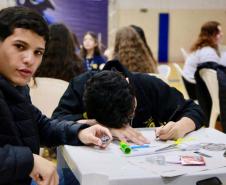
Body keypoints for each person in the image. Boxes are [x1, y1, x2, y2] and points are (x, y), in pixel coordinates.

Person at [0, 6, 112, 185]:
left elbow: (41, 126)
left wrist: (80, 132)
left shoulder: (17, 88)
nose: (30, 59)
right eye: (20, 46)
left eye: (38, 52)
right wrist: (28, 161)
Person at [52, 60, 205, 144]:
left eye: (131, 113)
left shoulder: (148, 85)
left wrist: (180, 127)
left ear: (128, 83)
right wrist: (98, 125)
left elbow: (194, 110)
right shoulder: (80, 86)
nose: (124, 124)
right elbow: (55, 122)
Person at [182, 21, 223, 99]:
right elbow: (213, 78)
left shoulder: (201, 47)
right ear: (211, 35)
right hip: (197, 91)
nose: (222, 34)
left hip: (191, 86)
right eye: (219, 32)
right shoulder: (208, 52)